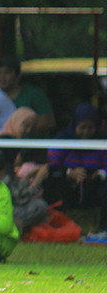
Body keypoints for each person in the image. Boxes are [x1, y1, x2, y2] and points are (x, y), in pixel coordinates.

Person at [44, 102, 107, 242]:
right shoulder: (63, 138)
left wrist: (98, 175)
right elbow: (53, 164)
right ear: (75, 125)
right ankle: (56, 224)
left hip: (94, 186)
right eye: (82, 128)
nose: (86, 132)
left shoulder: (102, 140)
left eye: (90, 128)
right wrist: (69, 173)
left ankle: (104, 229)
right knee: (54, 181)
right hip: (69, 186)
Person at [0, 107, 49, 233]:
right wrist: (37, 181)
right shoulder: (4, 171)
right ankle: (10, 226)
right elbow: (20, 198)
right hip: (0, 212)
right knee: (41, 207)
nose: (28, 131)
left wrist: (28, 176)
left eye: (32, 127)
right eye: (25, 125)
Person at [0, 56, 55, 134]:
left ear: (18, 75)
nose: (2, 77)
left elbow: (49, 122)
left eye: (7, 72)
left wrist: (28, 125)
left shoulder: (34, 94)